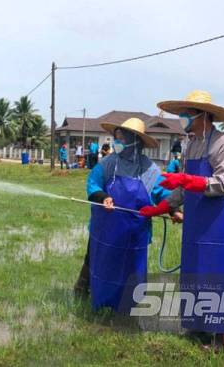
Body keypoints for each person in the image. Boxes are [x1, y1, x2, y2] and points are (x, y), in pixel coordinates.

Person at [139, 90, 224, 351]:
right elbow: (184, 188)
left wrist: (186, 180)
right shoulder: (190, 144)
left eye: (186, 113)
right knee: (194, 274)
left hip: (217, 221)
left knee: (215, 275)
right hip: (195, 220)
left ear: (201, 115)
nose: (182, 118)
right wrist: (162, 206)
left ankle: (220, 334)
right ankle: (197, 325)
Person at [73, 118, 170, 313]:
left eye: (121, 138)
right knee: (94, 257)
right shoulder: (108, 163)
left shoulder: (149, 169)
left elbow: (162, 192)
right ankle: (83, 289)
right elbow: (93, 183)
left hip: (134, 232)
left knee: (129, 265)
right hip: (106, 228)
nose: (117, 142)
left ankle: (125, 303)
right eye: (116, 138)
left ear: (135, 141)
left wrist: (173, 208)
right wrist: (103, 197)